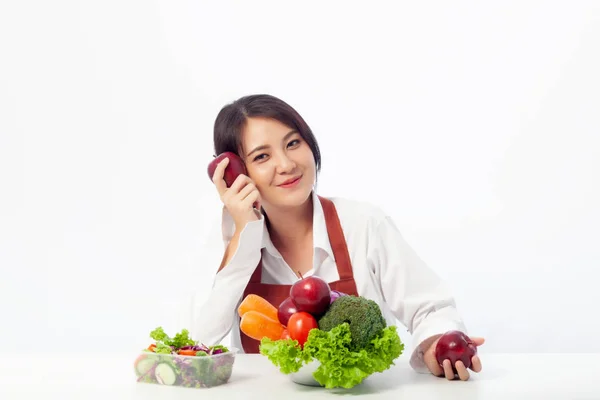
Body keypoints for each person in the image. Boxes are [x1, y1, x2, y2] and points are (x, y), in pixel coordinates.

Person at [191, 94, 484, 381]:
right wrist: (245, 234)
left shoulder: (363, 223)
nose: (286, 164)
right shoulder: (228, 241)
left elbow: (430, 308)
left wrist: (435, 344)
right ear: (236, 173)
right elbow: (198, 340)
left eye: (293, 143)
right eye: (262, 156)